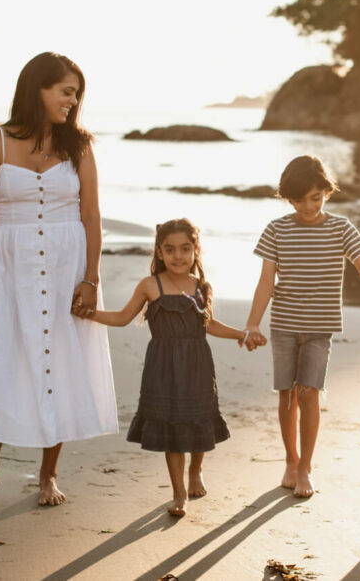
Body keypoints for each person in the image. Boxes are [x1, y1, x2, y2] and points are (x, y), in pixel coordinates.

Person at [0, 52, 118, 508]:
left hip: (68, 263)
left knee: (60, 362)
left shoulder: (80, 146)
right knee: (2, 357)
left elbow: (91, 215)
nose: (73, 101)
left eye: (76, 94)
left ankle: (48, 475)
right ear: (38, 89)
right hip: (10, 264)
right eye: (66, 91)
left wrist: (91, 278)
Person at [75, 218, 259, 517]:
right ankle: (179, 493)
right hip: (162, 367)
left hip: (197, 364)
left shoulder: (200, 285)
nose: (178, 256)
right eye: (170, 250)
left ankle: (196, 470)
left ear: (196, 250)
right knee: (173, 427)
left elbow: (209, 324)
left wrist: (243, 334)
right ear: (159, 252)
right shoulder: (150, 285)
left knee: (199, 419)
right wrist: (90, 314)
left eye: (185, 249)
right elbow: (123, 318)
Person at [244, 155, 360, 498]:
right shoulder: (277, 229)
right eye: (300, 200)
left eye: (316, 198)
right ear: (288, 198)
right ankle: (290, 460)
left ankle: (306, 468)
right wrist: (252, 323)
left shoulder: (341, 228)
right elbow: (265, 283)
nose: (309, 206)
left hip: (320, 327)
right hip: (284, 326)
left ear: (326, 193)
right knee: (287, 394)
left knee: (309, 392)